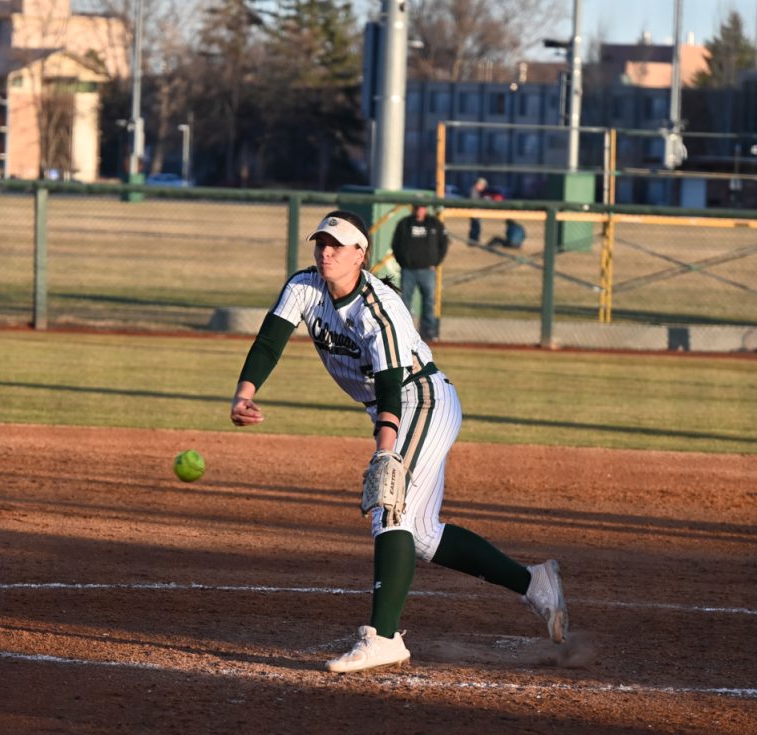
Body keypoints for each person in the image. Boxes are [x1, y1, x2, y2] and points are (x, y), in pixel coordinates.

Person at [229, 209, 569, 674]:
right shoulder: (305, 287)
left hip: (421, 399)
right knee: (423, 535)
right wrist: (245, 393)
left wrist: (386, 449)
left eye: (337, 244)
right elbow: (271, 341)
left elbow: (391, 385)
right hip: (396, 407)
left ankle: (383, 638)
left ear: (360, 254)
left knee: (389, 503)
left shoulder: (379, 307)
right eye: (320, 243)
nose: (325, 251)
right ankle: (535, 584)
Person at [391, 204, 449, 342]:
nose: (419, 210)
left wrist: (435, 262)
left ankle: (429, 332)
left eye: (422, 207)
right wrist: (403, 262)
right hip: (408, 270)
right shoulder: (405, 223)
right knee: (405, 301)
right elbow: (395, 244)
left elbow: (444, 244)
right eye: (417, 207)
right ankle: (405, 332)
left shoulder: (434, 224)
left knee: (429, 301)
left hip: (427, 270)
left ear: (426, 209)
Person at [468, 177, 488, 243]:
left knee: (476, 227)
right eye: (483, 186)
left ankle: (474, 240)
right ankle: (473, 241)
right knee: (475, 227)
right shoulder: (473, 190)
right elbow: (474, 201)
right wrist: (483, 200)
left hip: (476, 212)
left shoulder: (475, 191)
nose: (483, 188)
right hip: (475, 212)